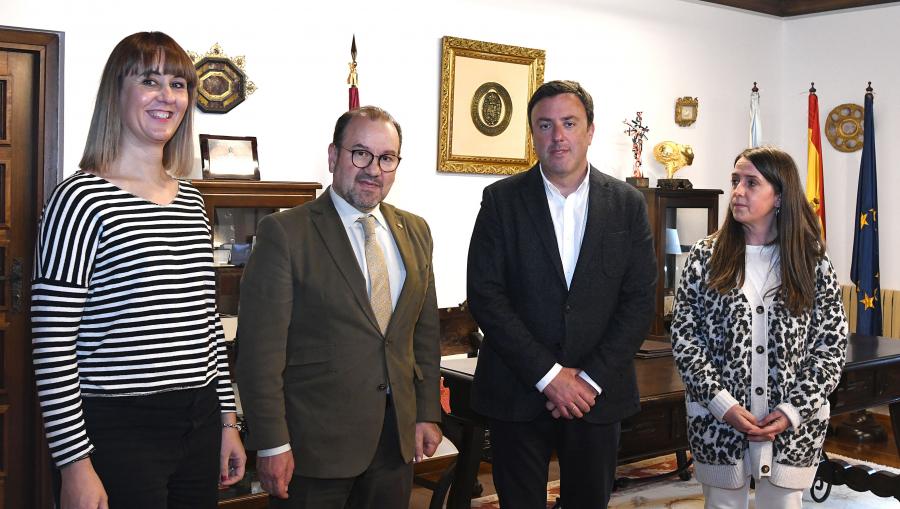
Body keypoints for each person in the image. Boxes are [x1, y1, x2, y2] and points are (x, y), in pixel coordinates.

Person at [31, 32, 245, 509]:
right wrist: (74, 464)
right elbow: (52, 346)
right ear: (117, 92)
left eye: (178, 84)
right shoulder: (79, 200)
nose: (166, 96)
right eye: (149, 81)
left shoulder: (191, 202)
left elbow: (207, 325)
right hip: (116, 429)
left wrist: (227, 422)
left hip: (198, 419)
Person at [235, 106, 442, 509]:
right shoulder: (285, 232)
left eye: (387, 158)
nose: (373, 170)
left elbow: (424, 334)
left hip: (394, 442)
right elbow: (260, 352)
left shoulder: (415, 231)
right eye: (360, 153)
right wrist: (272, 443)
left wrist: (426, 412)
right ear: (333, 156)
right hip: (314, 449)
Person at [467, 80, 657, 508]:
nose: (557, 136)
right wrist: (550, 376)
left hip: (597, 395)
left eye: (569, 123)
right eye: (545, 125)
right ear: (532, 134)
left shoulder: (628, 204)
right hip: (518, 390)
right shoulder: (500, 201)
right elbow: (485, 296)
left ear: (590, 130)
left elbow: (639, 300)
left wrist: (587, 381)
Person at [671, 146, 848, 509]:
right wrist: (723, 405)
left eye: (751, 183)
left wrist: (792, 410)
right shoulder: (705, 256)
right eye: (735, 180)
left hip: (794, 430)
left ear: (779, 195)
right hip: (718, 425)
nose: (738, 191)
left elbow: (830, 347)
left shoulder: (810, 260)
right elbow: (686, 340)